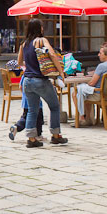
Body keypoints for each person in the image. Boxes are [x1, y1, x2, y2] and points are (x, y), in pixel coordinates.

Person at [17, 19, 67, 148]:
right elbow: (52, 54)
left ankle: (31, 139)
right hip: (40, 80)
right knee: (54, 106)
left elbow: (19, 62)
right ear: (39, 28)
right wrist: (60, 71)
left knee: (32, 110)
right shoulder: (41, 40)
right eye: (42, 27)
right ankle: (56, 136)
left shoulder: (24, 44)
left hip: (27, 81)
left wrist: (30, 65)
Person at [73, 42, 107, 126]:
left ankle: (82, 118)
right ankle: (89, 118)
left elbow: (92, 83)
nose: (98, 55)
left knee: (76, 92)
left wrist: (84, 83)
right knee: (85, 91)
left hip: (99, 94)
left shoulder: (101, 66)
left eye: (100, 53)